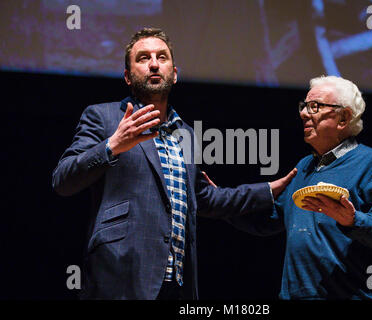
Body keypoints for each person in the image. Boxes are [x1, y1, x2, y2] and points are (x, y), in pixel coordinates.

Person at [52, 27, 296, 300]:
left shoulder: (187, 134)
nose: (154, 64)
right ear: (128, 77)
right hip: (120, 273)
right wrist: (113, 145)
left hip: (178, 281)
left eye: (162, 57)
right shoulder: (104, 117)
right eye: (143, 58)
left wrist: (267, 190)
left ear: (175, 74)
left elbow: (203, 199)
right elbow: (63, 180)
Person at [228, 75, 372, 299]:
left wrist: (352, 220)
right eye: (304, 106)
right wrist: (219, 203)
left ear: (343, 118)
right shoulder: (304, 167)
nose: (303, 113)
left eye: (315, 107)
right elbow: (271, 219)